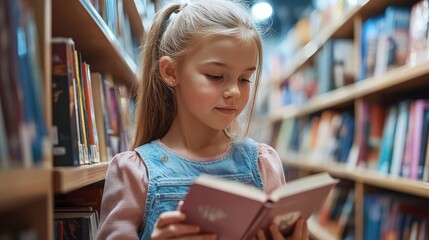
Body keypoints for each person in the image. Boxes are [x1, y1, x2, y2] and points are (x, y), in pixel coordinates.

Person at [97, 0, 309, 239]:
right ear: (170, 72)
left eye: (244, 79)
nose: (235, 92)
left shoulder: (263, 164)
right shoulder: (134, 173)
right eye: (216, 76)